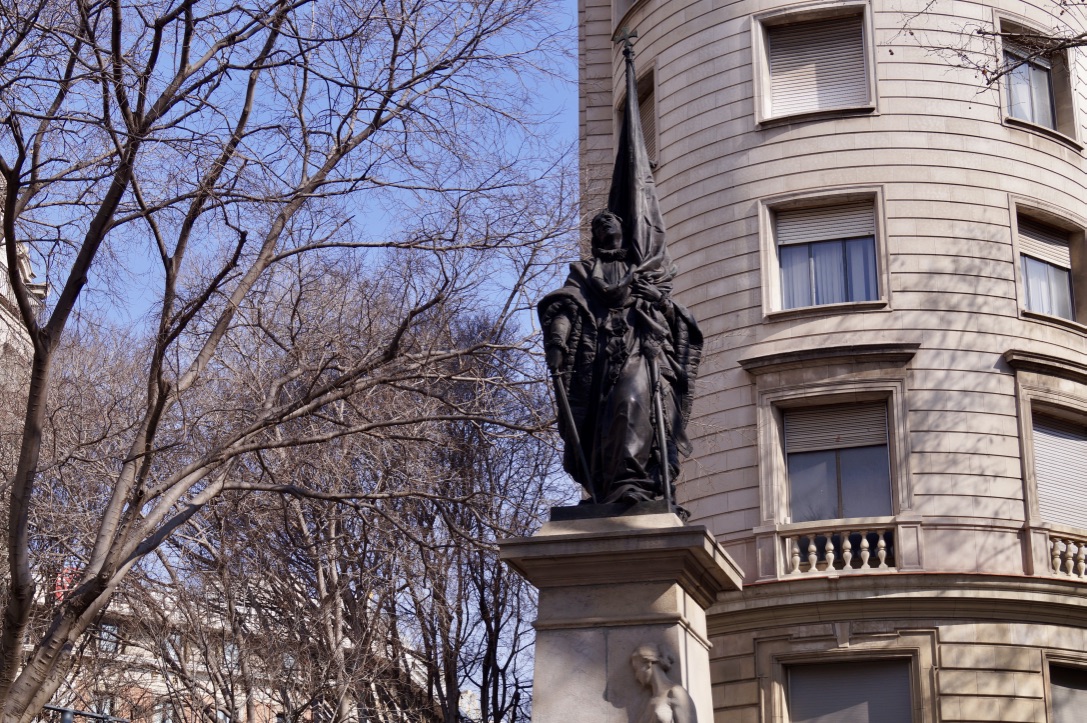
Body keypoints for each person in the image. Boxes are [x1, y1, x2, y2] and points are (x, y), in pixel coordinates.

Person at [539, 210, 702, 508]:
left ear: (623, 227)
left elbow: (676, 319)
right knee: (601, 420)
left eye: (610, 219)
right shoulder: (584, 272)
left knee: (631, 403)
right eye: (597, 223)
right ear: (594, 236)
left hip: (640, 348)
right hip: (596, 357)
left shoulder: (644, 270)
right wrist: (557, 343)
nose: (604, 223)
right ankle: (608, 488)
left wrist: (658, 299)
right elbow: (565, 307)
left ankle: (634, 483)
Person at [630, 644, 697, 723]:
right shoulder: (649, 703)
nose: (636, 676)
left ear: (648, 664)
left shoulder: (675, 692)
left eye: (637, 669)